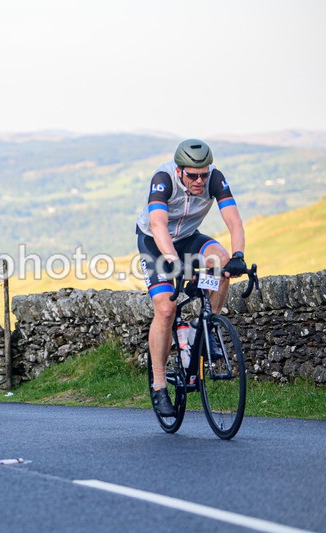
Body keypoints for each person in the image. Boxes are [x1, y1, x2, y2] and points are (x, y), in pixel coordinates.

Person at [136, 139, 248, 417]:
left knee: (222, 264)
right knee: (165, 309)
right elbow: (158, 224)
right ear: (179, 170)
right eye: (193, 175)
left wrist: (238, 255)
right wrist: (172, 261)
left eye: (204, 174)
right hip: (154, 242)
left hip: (188, 239)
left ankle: (207, 325)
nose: (200, 181)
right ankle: (160, 385)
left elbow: (234, 220)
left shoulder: (215, 179)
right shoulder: (163, 179)